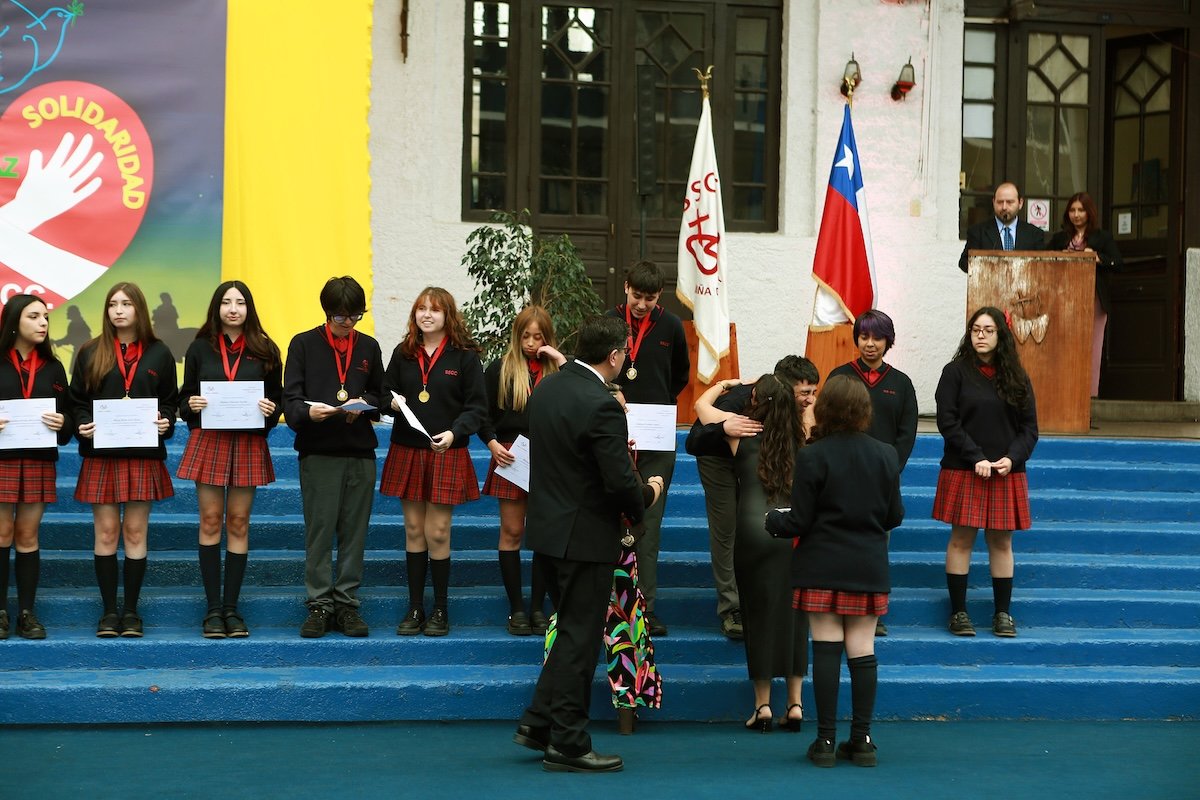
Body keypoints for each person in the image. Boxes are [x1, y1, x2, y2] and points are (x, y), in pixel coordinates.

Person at [512, 315, 661, 773]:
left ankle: (539, 721)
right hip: (586, 537)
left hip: (547, 532)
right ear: (614, 356)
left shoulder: (548, 388)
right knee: (580, 640)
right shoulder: (601, 404)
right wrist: (648, 494)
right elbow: (618, 482)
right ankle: (569, 744)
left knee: (570, 635)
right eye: (624, 354)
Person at [766, 375, 904, 768]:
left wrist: (773, 521)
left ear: (824, 409)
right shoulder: (886, 454)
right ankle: (862, 741)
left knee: (826, 648)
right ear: (864, 410)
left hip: (822, 565)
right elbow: (894, 516)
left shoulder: (813, 456)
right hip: (867, 565)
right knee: (863, 650)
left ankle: (825, 741)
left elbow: (800, 520)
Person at [695, 374, 810, 735]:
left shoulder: (739, 433)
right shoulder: (803, 437)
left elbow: (700, 408)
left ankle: (762, 705)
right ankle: (795, 703)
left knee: (757, 617)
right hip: (792, 532)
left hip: (752, 530)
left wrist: (725, 385)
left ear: (757, 402)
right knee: (795, 618)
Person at [69, 282, 178, 638]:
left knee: (134, 531)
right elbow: (77, 401)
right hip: (101, 455)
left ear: (139, 309)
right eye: (113, 304)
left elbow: (170, 400)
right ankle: (108, 612)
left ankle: (130, 612)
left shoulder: (159, 352)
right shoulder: (90, 351)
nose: (118, 310)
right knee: (106, 532)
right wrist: (82, 423)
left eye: (126, 304)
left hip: (142, 455)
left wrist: (166, 420)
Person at [685, 355, 818, 640]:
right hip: (717, 454)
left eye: (814, 392)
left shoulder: (797, 410)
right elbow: (695, 438)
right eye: (805, 393)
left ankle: (768, 598)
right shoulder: (739, 404)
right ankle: (732, 607)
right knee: (727, 527)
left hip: (760, 455)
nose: (810, 400)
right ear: (783, 389)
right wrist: (723, 424)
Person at [177, 281, 283, 638]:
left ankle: (232, 609)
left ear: (249, 308)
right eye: (226, 302)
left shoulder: (266, 349)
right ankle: (212, 610)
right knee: (210, 521)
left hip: (248, 442)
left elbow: (278, 399)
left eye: (240, 302)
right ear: (216, 307)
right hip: (209, 439)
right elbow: (184, 397)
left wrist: (270, 410)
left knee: (238, 523)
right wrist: (191, 405)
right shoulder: (199, 348)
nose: (233, 309)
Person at [283, 276, 384, 639]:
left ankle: (347, 605)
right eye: (341, 316)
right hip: (319, 451)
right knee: (320, 531)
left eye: (355, 316)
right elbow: (290, 400)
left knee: (355, 533)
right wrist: (309, 413)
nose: (348, 323)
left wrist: (365, 404)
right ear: (327, 313)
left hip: (360, 452)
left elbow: (381, 395)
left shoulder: (368, 346)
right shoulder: (303, 344)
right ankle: (319, 605)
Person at [383, 287, 487, 638]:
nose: (427, 315)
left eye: (435, 310)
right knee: (414, 530)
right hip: (407, 450)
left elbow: (477, 407)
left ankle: (441, 608)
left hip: (447, 451)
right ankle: (415, 607)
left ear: (448, 316)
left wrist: (455, 433)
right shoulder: (403, 352)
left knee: (438, 532)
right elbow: (383, 391)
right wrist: (390, 403)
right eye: (421, 309)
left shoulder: (465, 357)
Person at [934, 307, 1038, 639]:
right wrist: (975, 456)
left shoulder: (1017, 376)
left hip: (1006, 472)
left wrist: (1011, 458)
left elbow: (1029, 429)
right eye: (975, 329)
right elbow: (947, 421)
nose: (980, 335)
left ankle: (1002, 613)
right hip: (965, 468)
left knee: (1001, 542)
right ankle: (958, 612)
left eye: (988, 330)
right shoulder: (955, 373)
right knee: (961, 539)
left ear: (1000, 336)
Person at [606, 260, 689, 637]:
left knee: (649, 526)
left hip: (656, 436)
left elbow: (680, 375)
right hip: (613, 432)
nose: (641, 304)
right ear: (626, 287)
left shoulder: (671, 326)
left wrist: (655, 407)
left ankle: (646, 607)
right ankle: (610, 604)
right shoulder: (610, 322)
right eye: (637, 296)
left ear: (660, 296)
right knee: (610, 520)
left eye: (650, 298)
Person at [829, 309, 918, 636]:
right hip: (841, 479)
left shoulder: (901, 383)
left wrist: (889, 470)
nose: (870, 344)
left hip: (882, 482)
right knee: (840, 544)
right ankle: (839, 608)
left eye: (877, 338)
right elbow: (827, 424)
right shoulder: (840, 377)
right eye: (864, 337)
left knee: (876, 548)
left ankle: (871, 612)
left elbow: (906, 434)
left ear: (887, 341)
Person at [478, 306, 565, 636]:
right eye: (526, 336)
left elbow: (582, 400)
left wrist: (560, 360)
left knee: (543, 535)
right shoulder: (500, 368)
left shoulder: (560, 371)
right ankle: (517, 608)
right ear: (517, 336)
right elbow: (481, 413)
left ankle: (538, 608)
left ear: (547, 338)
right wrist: (491, 443)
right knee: (512, 531)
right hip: (511, 456)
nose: (531, 343)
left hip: (550, 459)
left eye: (538, 337)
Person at [0, 295, 72, 639]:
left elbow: (68, 418)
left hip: (39, 459)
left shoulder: (54, 367)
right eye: (34, 316)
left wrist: (63, 422)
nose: (43, 323)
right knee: (2, 533)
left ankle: (27, 613)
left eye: (45, 316)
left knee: (28, 535)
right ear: (14, 322)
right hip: (2, 460)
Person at [1047, 191, 1123, 397]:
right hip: (1064, 299)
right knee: (1064, 344)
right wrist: (1059, 256)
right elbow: (1044, 261)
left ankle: (1090, 396)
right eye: (1072, 210)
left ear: (1089, 212)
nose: (1076, 214)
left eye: (1081, 210)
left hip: (1094, 300)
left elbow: (1118, 263)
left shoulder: (1102, 237)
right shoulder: (1060, 238)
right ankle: (1066, 392)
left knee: (1093, 346)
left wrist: (1097, 258)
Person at [958, 182, 1045, 272]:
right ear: (993, 202)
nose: (1004, 207)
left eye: (1009, 202)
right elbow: (964, 263)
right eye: (1000, 202)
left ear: (1020, 203)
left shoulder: (1034, 234)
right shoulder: (977, 232)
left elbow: (1043, 265)